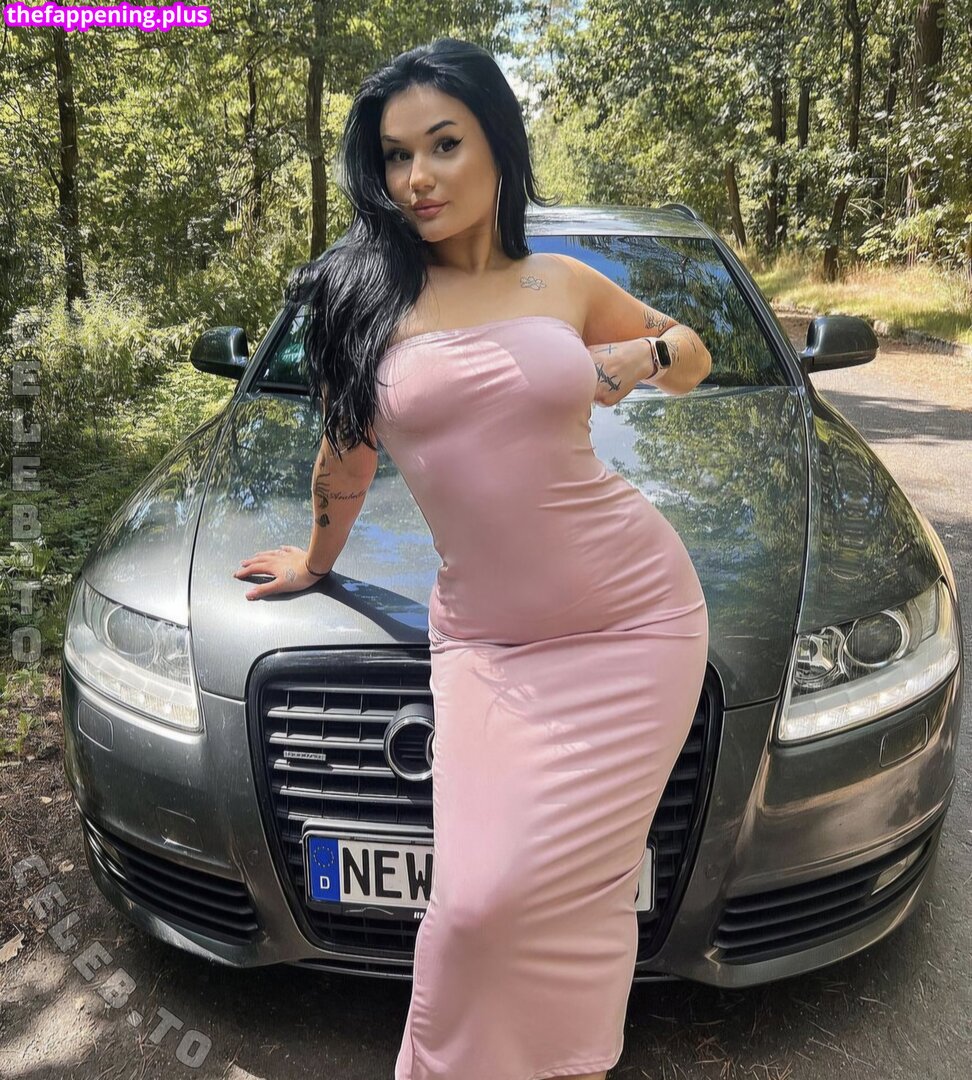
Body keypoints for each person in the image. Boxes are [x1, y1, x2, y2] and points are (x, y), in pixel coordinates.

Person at [233, 37, 711, 1080]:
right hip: (491, 642)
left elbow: (693, 354)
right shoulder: (367, 300)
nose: (418, 176)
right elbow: (346, 453)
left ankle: (568, 1063)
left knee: (580, 892)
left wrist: (638, 355)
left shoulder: (561, 280)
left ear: (497, 142)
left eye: (443, 144)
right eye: (396, 155)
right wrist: (315, 558)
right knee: (475, 907)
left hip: (638, 621)